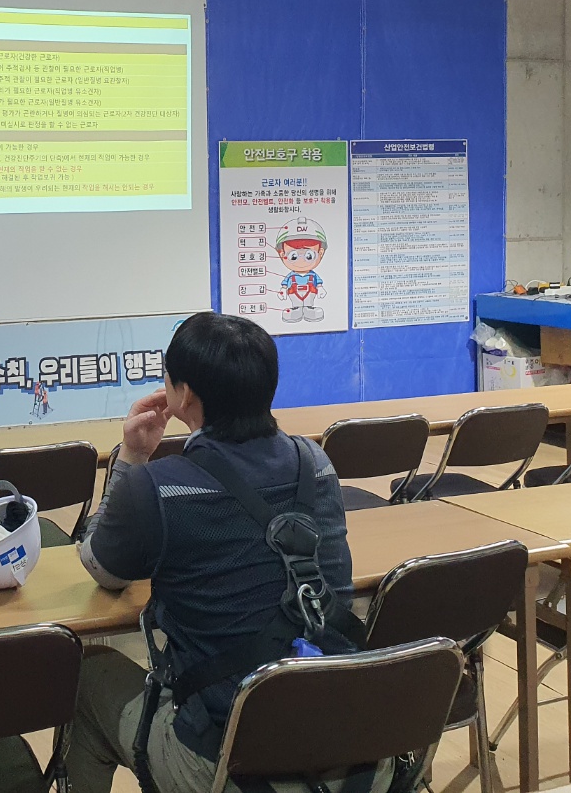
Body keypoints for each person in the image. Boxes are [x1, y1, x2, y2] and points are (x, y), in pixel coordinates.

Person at [69, 311, 382, 793]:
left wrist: (131, 456)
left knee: (90, 676)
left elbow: (103, 568)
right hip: (349, 750)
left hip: (230, 764)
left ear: (184, 396)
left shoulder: (157, 486)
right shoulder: (315, 461)